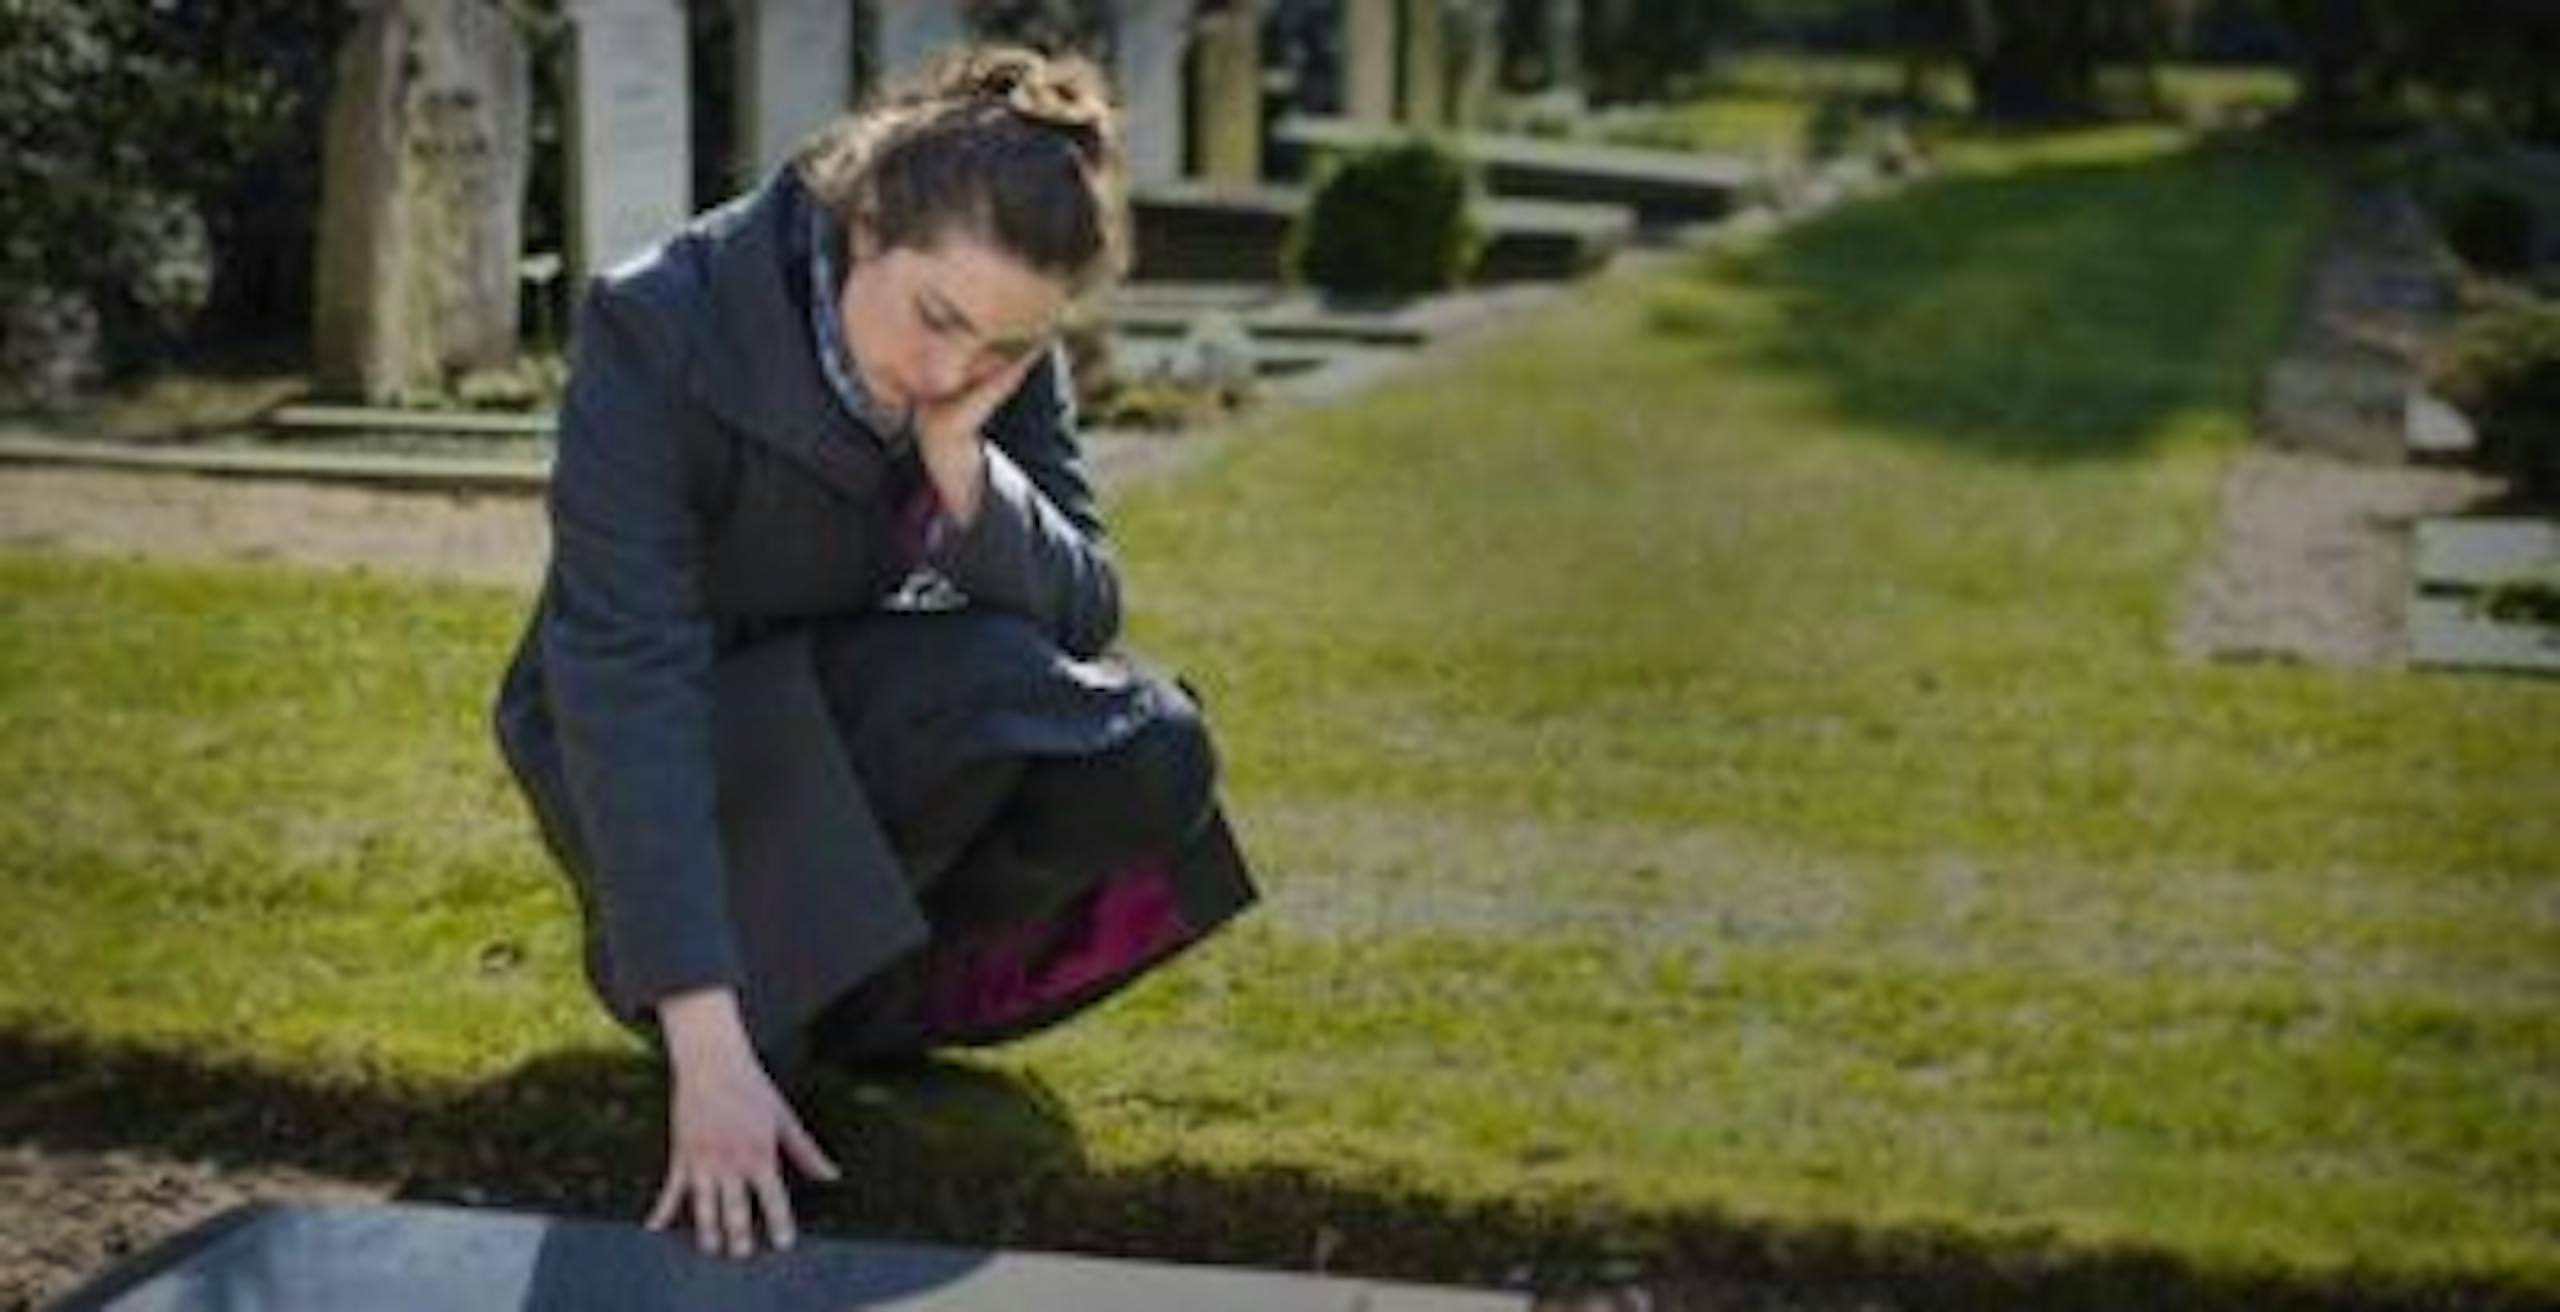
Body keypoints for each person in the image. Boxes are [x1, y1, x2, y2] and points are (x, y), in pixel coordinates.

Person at [491, 46, 1256, 1262]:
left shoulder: (994, 341)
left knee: (1148, 750)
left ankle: (853, 1004)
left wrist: (964, 465)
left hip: (862, 700)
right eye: (935, 320)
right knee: (977, 691)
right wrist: (707, 1045)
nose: (955, 370)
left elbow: (1083, 607)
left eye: (1001, 349)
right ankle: (735, 998)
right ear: (862, 222)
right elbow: (629, 685)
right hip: (658, 730)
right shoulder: (656, 321)